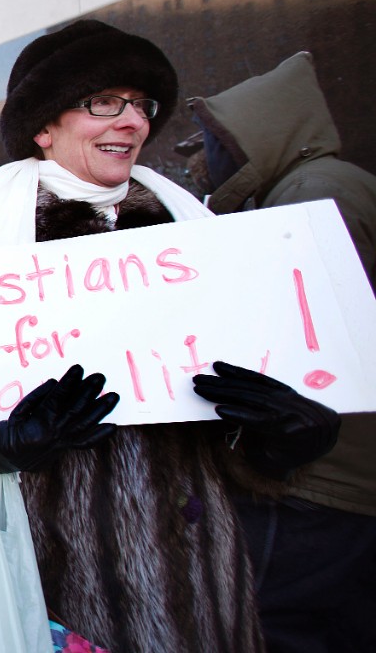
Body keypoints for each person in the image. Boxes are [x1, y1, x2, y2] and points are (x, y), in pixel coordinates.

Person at [0, 19, 340, 652]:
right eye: (104, 102)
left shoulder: (198, 239)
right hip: (54, 590)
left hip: (201, 587)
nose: (134, 121)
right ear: (43, 127)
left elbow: (227, 424)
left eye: (141, 104)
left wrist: (279, 438)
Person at [177, 50, 376, 653]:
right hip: (333, 469)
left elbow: (297, 336)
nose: (205, 160)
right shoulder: (324, 186)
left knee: (275, 623)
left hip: (317, 478)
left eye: (213, 143)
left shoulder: (312, 195)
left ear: (253, 139)